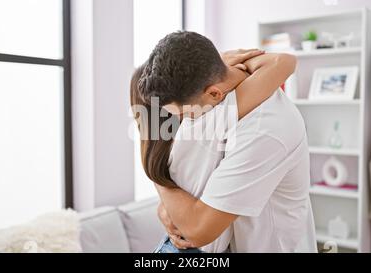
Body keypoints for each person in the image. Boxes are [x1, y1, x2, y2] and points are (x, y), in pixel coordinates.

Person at [131, 31, 317, 252]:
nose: (182, 123)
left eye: (184, 114)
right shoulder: (221, 101)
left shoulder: (261, 130)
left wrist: (158, 178)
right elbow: (283, 61)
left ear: (214, 94)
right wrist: (166, 208)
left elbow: (198, 230)